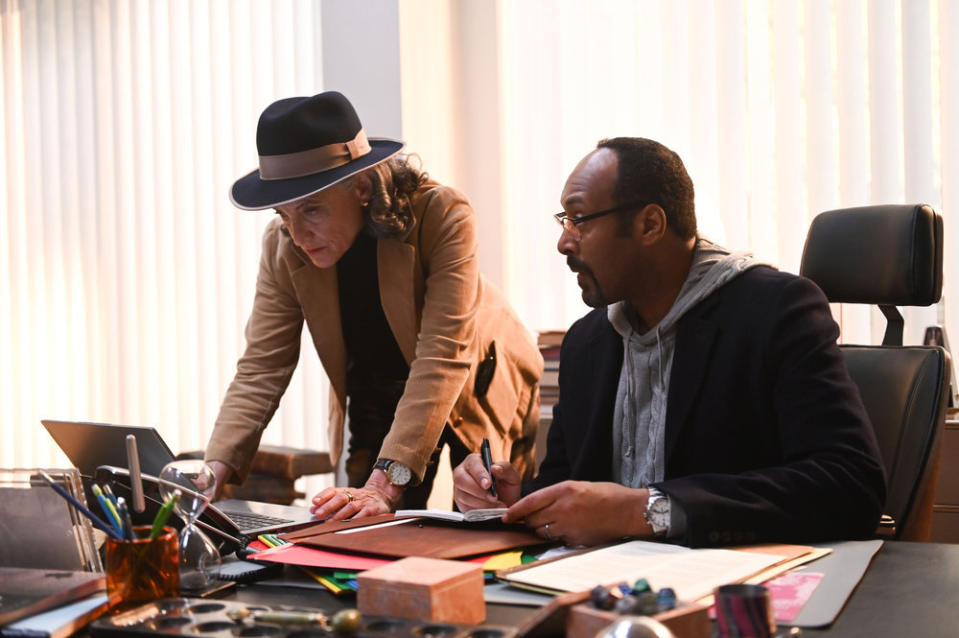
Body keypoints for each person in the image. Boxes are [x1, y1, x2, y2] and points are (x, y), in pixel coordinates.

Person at [453, 137, 886, 547]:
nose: (564, 241)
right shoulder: (586, 342)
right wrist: (517, 502)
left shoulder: (773, 311)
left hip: (736, 590)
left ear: (650, 224)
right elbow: (570, 482)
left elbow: (848, 484)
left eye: (579, 219)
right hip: (606, 593)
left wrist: (645, 510)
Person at [204, 91, 543, 519]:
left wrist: (385, 484)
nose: (298, 233)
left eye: (311, 210)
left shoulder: (441, 213)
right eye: (283, 213)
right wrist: (209, 475)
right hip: (376, 386)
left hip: (477, 378)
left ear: (361, 186)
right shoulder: (283, 243)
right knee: (360, 526)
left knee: (487, 516)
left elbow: (443, 354)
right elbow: (261, 366)